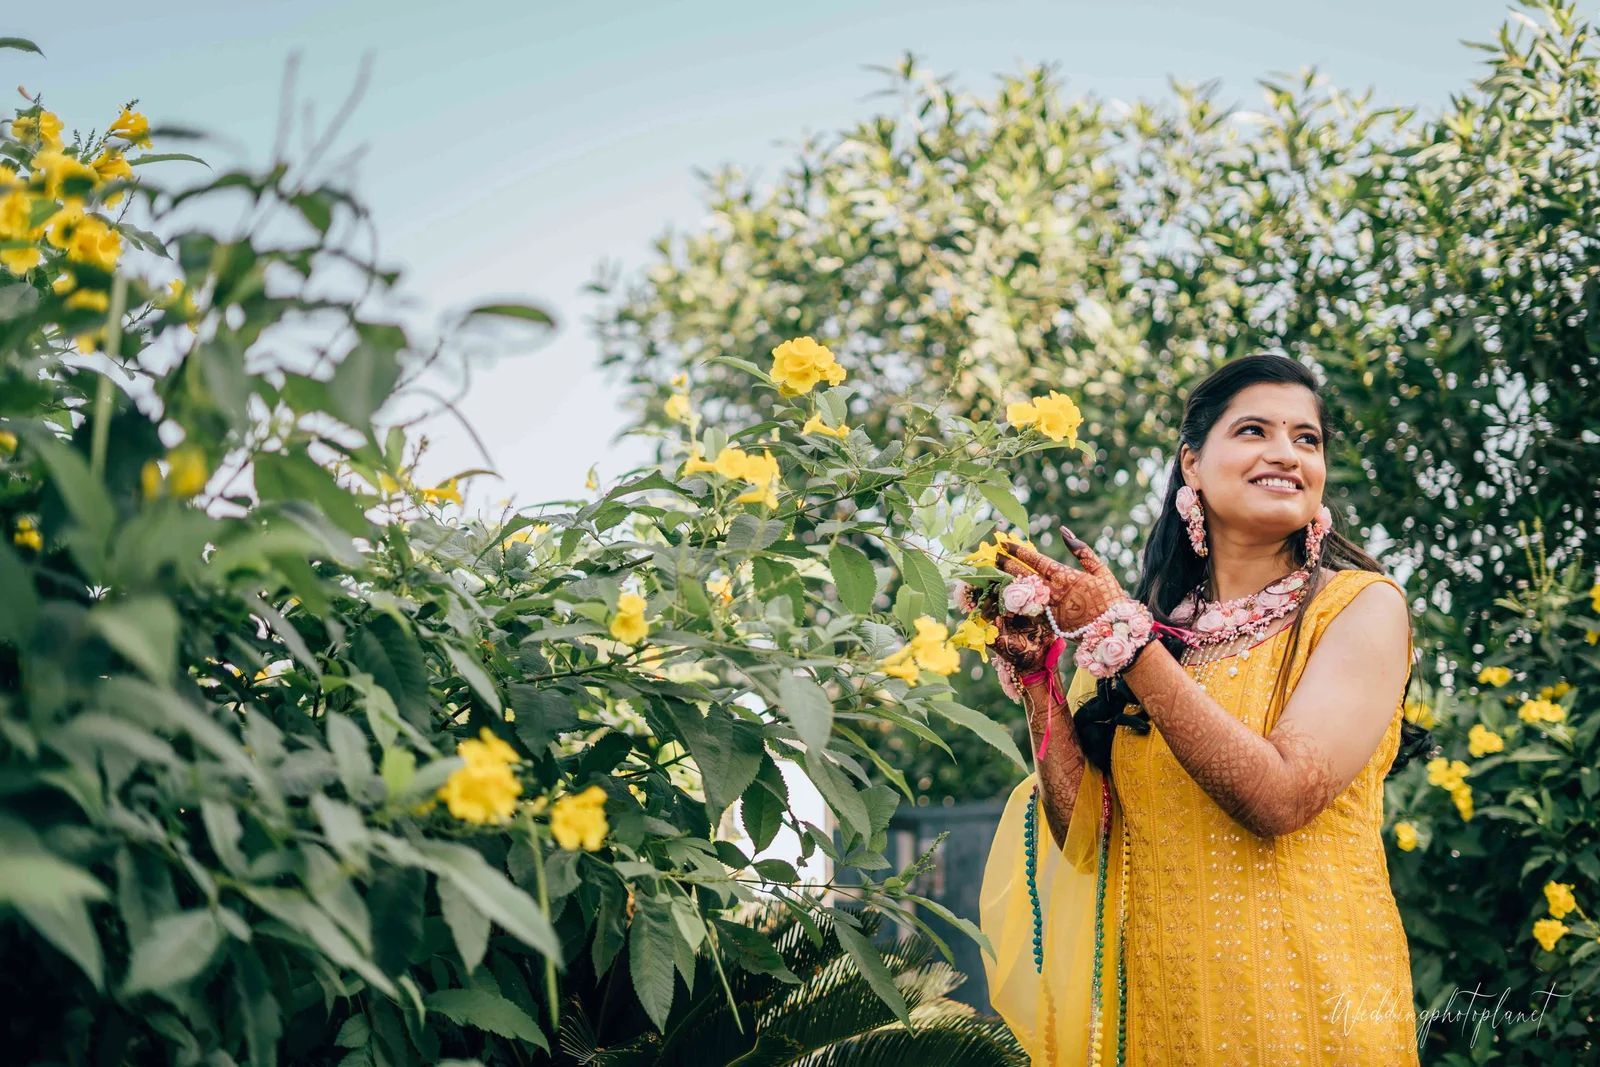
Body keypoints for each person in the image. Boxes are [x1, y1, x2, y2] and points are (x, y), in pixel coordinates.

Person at [977, 354, 1436, 1066]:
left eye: (1306, 439)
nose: (1286, 453)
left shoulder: (1361, 608)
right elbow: (1088, 835)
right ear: (1192, 463)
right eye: (1254, 430)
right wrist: (1039, 682)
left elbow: (1279, 795)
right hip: (1162, 1022)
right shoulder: (1158, 638)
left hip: (1309, 1019)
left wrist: (1123, 639)